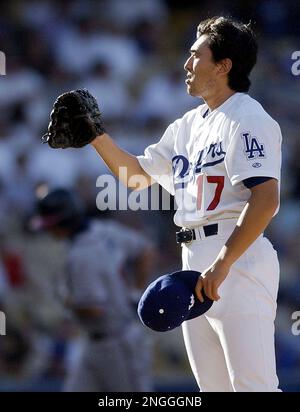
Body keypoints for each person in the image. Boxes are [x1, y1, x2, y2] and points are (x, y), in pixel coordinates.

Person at [44, 16, 282, 392]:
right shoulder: (187, 125)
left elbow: (265, 200)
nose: (186, 64)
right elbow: (138, 178)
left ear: (223, 65)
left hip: (238, 258)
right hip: (194, 260)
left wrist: (222, 264)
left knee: (253, 386)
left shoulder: (248, 118)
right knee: (214, 389)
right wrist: (96, 136)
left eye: (195, 55)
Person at [31, 188, 154, 392]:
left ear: (64, 220)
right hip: (94, 342)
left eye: (51, 225)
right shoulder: (104, 230)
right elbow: (146, 251)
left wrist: (65, 300)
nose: (49, 231)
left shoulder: (81, 256)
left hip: (116, 342)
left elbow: (94, 309)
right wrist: (135, 293)